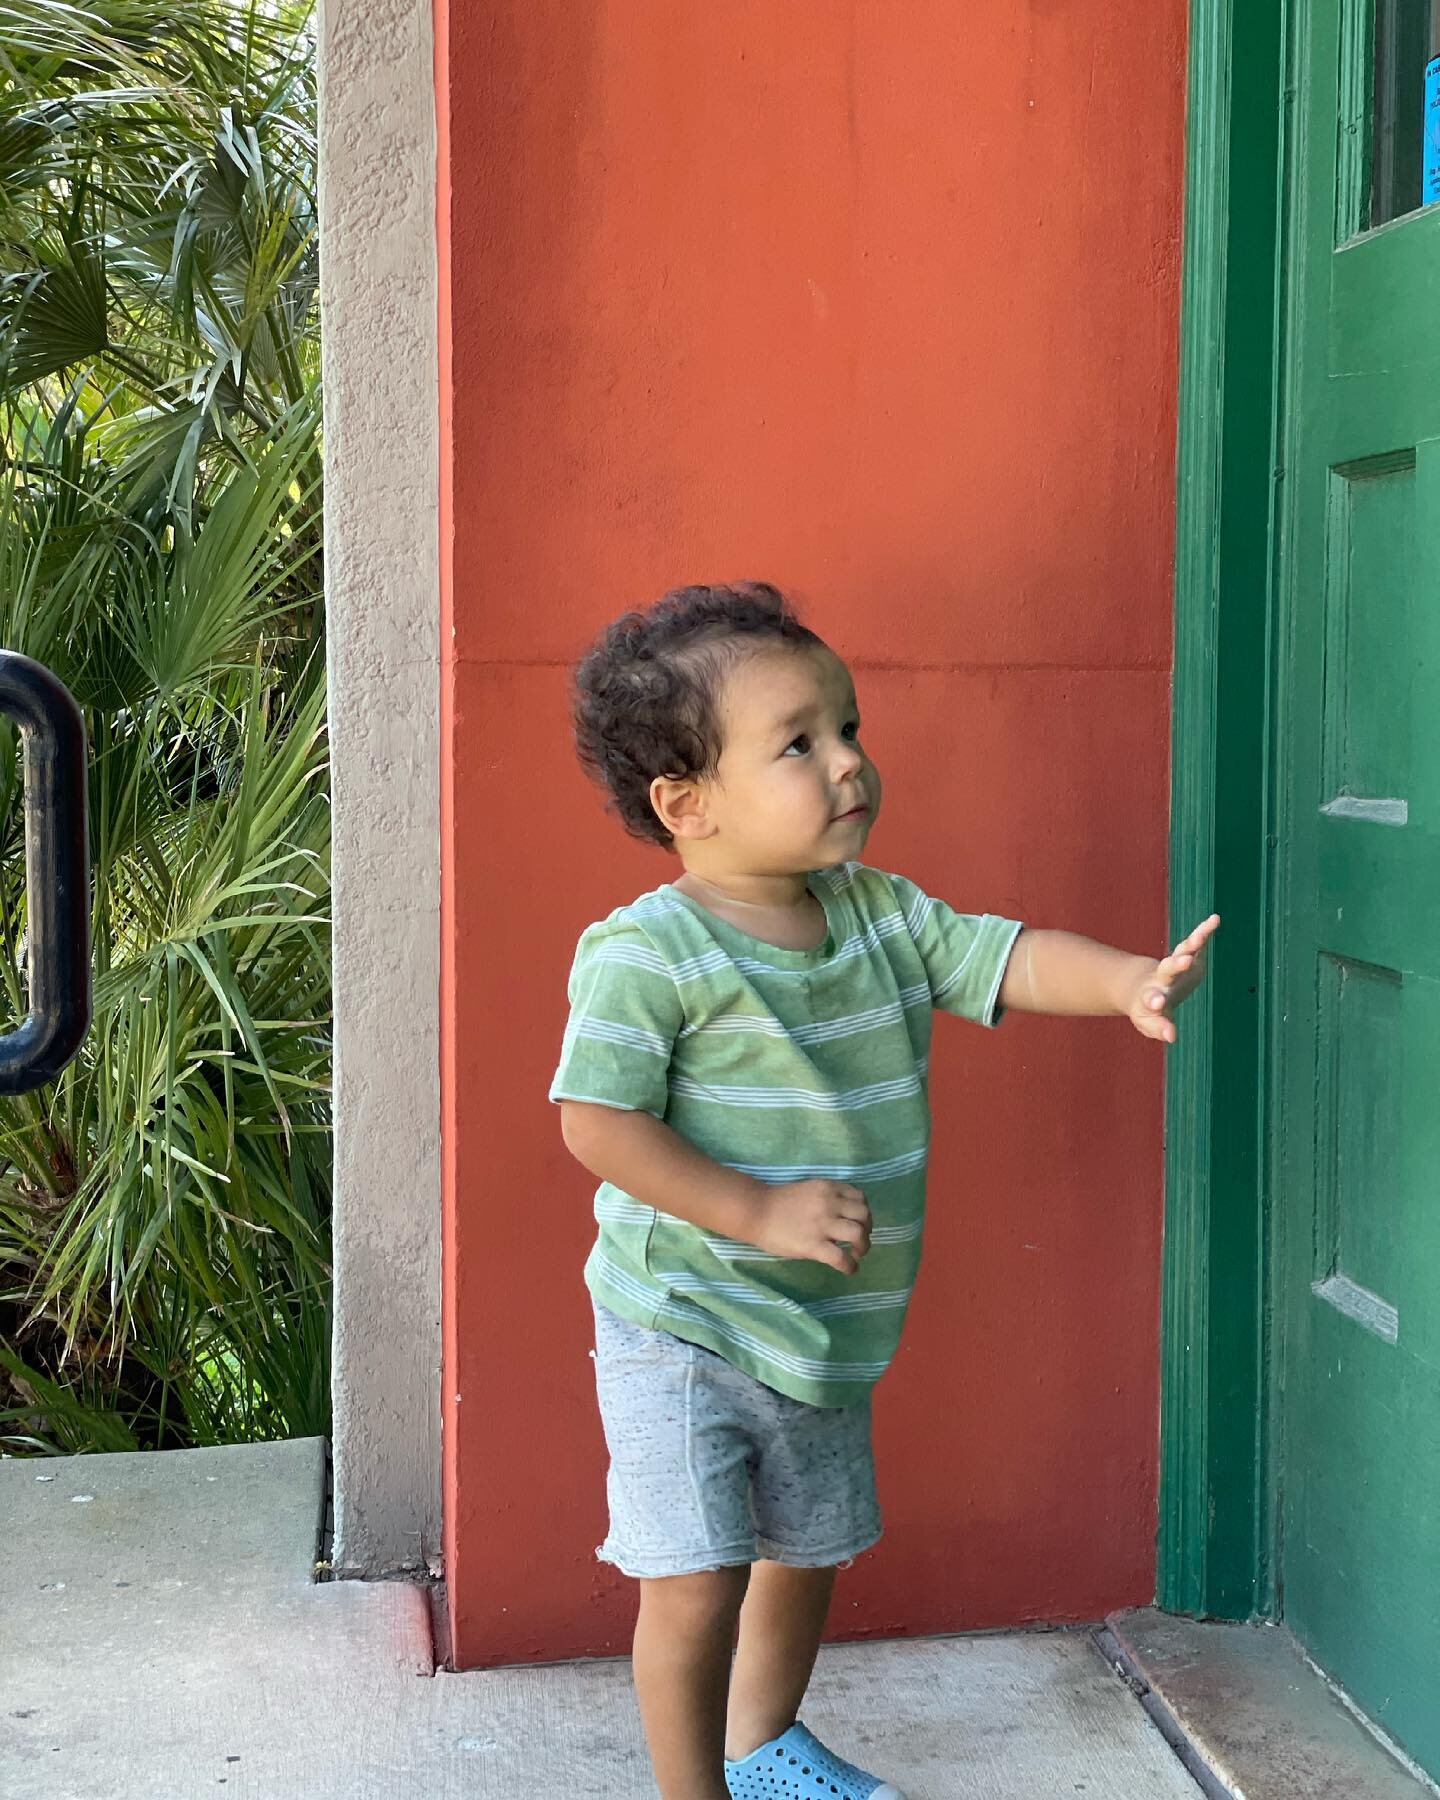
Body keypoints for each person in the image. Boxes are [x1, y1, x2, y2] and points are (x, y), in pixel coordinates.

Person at [549, 582, 1217, 1800]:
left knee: (806, 1553)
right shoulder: (651, 951)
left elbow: (1001, 956)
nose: (849, 762)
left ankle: (764, 1750)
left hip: (824, 1326)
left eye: (849, 729)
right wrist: (754, 1211)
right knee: (695, 1574)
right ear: (686, 804)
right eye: (799, 743)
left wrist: (1127, 981)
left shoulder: (881, 915)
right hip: (684, 1320)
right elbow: (596, 1122)